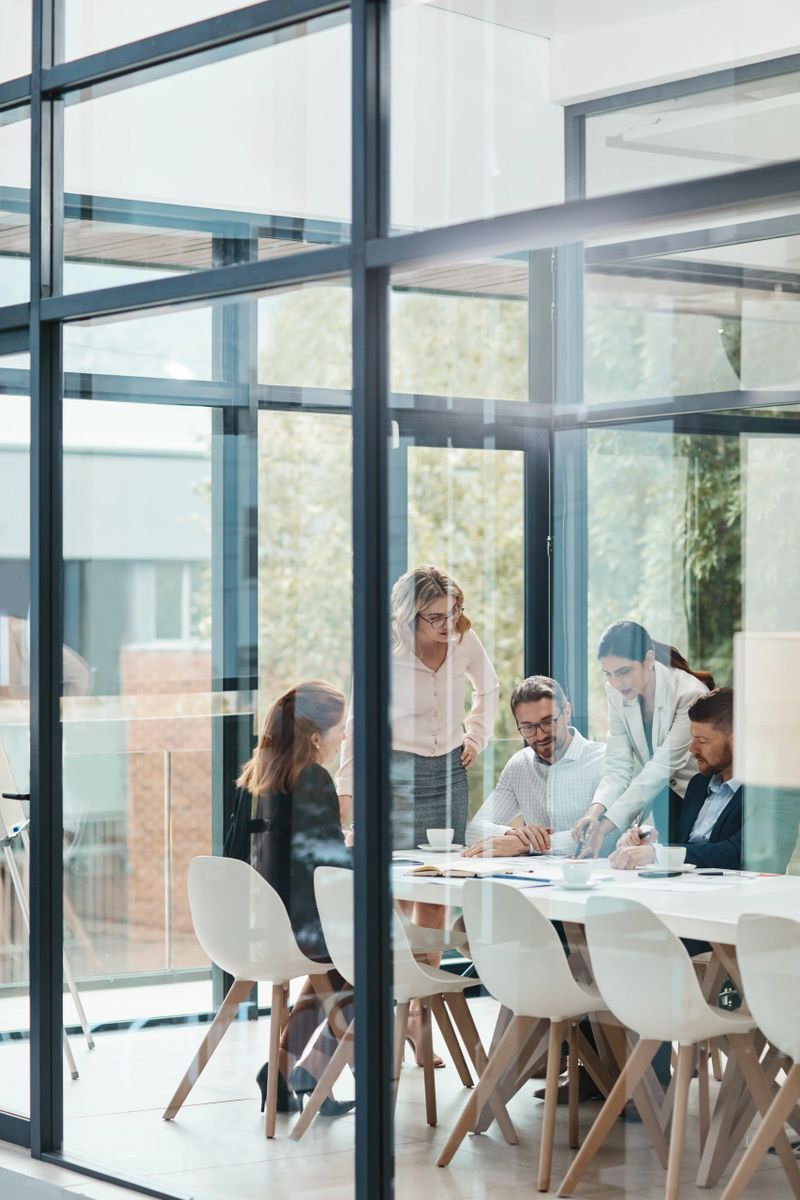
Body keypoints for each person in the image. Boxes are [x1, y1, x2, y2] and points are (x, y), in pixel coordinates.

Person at [336, 564, 499, 1066]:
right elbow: (356, 730)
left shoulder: (465, 639)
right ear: (409, 616)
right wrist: (347, 806)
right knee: (398, 892)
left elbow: (488, 690)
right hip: (396, 778)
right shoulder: (384, 652)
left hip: (448, 772)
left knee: (438, 891)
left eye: (452, 612)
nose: (447, 624)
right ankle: (403, 1002)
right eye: (434, 617)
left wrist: (475, 736)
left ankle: (418, 1016)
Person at [227, 680, 355, 1118]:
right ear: (317, 735)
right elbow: (332, 866)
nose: (346, 738)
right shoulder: (313, 777)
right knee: (372, 963)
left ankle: (283, 1071)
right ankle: (313, 1070)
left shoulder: (265, 775)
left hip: (268, 923)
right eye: (342, 729)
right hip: (301, 924)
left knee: (340, 966)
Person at [610, 687, 800, 873]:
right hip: (688, 892)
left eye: (702, 741)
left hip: (742, 898)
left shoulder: (777, 791)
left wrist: (657, 854)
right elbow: (688, 848)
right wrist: (649, 841)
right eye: (692, 738)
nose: (692, 749)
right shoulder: (698, 784)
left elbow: (739, 854)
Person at [572, 620, 710, 858]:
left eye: (624, 672)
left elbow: (660, 769)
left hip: (699, 798)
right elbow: (617, 766)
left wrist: (605, 827)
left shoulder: (689, 693)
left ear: (648, 659)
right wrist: (594, 814)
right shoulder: (615, 691)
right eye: (609, 674)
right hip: (661, 801)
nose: (616, 682)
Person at [463, 675, 606, 857]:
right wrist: (514, 835)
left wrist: (529, 845)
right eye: (528, 727)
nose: (539, 736)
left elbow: (605, 834)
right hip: (534, 878)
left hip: (595, 876)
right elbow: (474, 829)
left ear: (567, 712)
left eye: (547, 722)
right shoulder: (520, 765)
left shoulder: (602, 760)